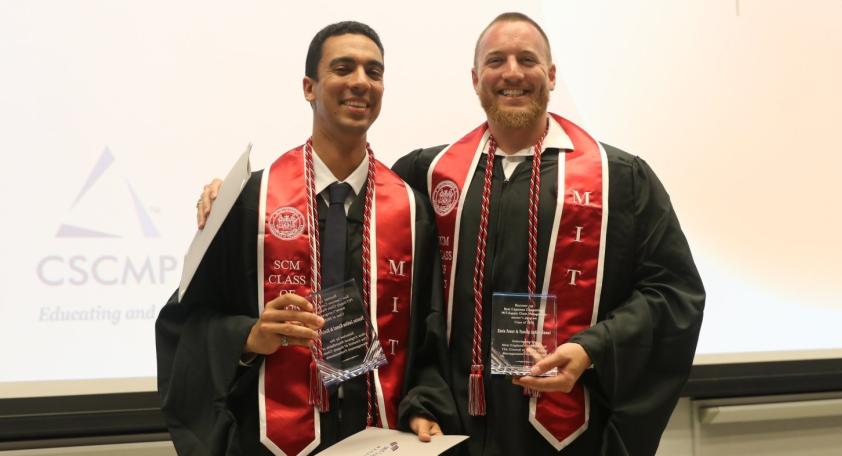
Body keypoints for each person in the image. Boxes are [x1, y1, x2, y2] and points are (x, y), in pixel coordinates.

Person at [197, 12, 705, 456]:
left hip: (570, 434)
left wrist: (592, 347)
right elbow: (357, 237)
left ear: (550, 74)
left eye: (527, 60)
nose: (512, 73)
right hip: (452, 436)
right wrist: (233, 198)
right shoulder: (429, 176)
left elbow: (673, 294)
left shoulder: (620, 179)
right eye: (496, 61)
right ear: (475, 79)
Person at [157, 21, 457, 456]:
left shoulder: (412, 211)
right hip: (271, 442)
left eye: (374, 72)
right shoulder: (248, 202)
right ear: (309, 87)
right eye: (343, 68)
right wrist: (248, 336)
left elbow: (430, 338)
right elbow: (182, 326)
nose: (360, 82)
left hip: (382, 442)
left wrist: (422, 406)